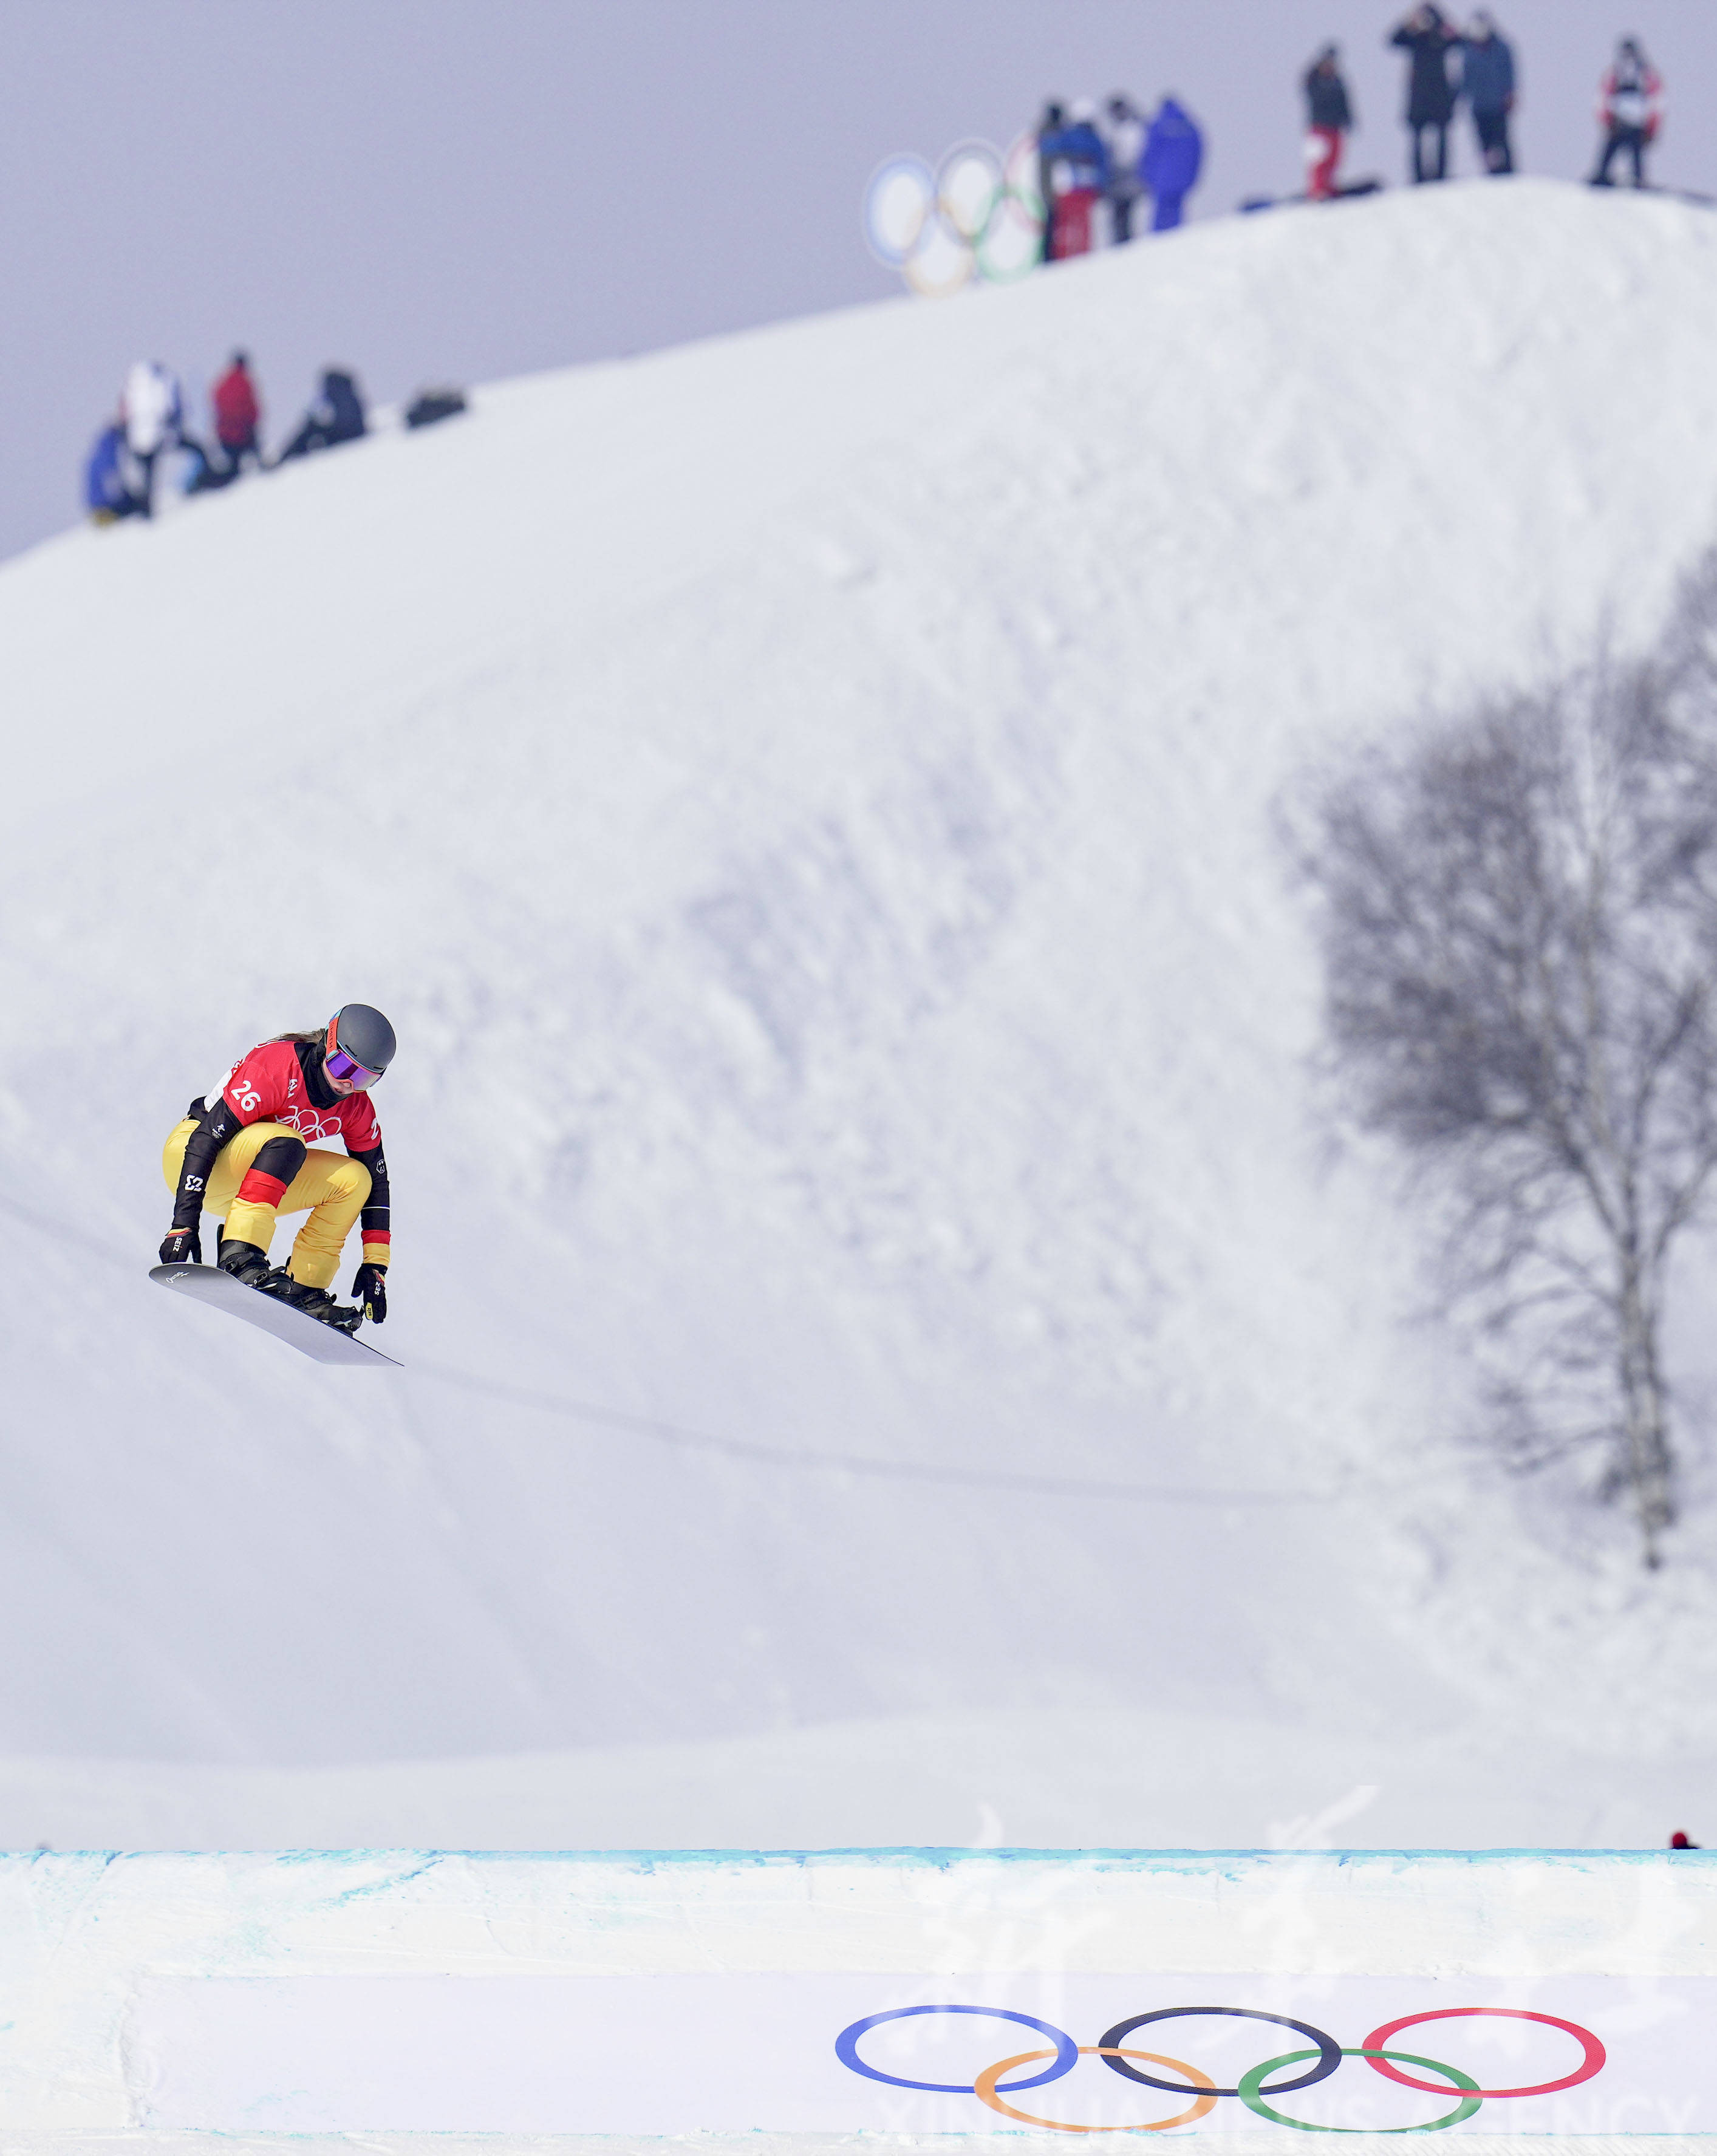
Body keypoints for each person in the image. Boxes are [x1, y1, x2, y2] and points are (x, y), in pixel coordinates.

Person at [158, 1005, 396, 1334]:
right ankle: (239, 1253)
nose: (346, 1085)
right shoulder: (277, 1067)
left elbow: (379, 1182)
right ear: (327, 1044)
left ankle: (304, 1286)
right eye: (343, 1066)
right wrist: (183, 1224)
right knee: (288, 1141)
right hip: (191, 1156)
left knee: (356, 1180)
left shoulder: (357, 1107)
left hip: (251, 1179)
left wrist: (376, 1264)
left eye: (364, 1078)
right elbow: (204, 1140)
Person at [1389, 5, 1459, 183]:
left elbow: (1460, 40)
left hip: (1440, 96)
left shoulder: (1441, 38)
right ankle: (1418, 177)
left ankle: (1441, 175)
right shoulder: (1414, 39)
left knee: (1442, 137)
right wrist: (1410, 22)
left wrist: (1439, 16)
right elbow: (1393, 40)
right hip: (1419, 98)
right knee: (1417, 139)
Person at [1039, 98, 1110, 259]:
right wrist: (1102, 187)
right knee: (1083, 227)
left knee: (1065, 227)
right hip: (1087, 190)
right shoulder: (1096, 141)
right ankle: (1082, 256)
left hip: (1067, 190)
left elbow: (1047, 147)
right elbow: (1103, 166)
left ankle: (1064, 257)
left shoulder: (1066, 136)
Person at [1591, 38, 1662, 188]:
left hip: (1625, 124)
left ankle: (1609, 176)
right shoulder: (1635, 74)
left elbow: (1655, 103)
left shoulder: (1638, 74)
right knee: (1621, 155)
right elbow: (1656, 104)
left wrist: (1606, 121)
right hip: (1626, 124)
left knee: (1627, 155)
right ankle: (1619, 177)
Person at [121, 360, 183, 519]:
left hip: (136, 439)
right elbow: (166, 410)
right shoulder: (157, 386)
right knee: (151, 473)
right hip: (153, 437)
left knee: (141, 473)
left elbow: (125, 414)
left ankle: (144, 505)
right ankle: (148, 507)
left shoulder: (132, 388)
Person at [272, 366, 367, 464]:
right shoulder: (348, 392)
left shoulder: (336, 392)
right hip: (354, 431)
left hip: (348, 435)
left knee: (310, 428)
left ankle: (287, 458)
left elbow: (343, 420)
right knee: (312, 428)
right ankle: (291, 456)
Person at [1460, 12, 1517, 174]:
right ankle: (1491, 173)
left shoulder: (1502, 48)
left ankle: (1509, 173)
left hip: (1498, 105)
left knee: (1501, 143)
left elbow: (1510, 73)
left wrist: (1510, 94)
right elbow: (1466, 78)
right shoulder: (1469, 51)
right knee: (1484, 145)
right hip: (1479, 106)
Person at [1142, 97, 1204, 231]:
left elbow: (1149, 153)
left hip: (1161, 178)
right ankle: (1174, 238)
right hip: (1183, 179)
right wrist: (1192, 177)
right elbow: (1197, 154)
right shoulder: (1190, 127)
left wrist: (1146, 175)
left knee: (1161, 216)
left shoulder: (1158, 126)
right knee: (1177, 213)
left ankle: (1159, 241)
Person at [1303, 44, 1354, 201]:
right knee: (1319, 162)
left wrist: (1348, 118)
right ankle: (1318, 191)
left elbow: (1346, 102)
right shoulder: (1314, 80)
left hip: (1335, 127)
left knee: (1334, 160)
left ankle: (1330, 187)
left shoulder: (1337, 81)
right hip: (1319, 128)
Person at [1103, 94, 1148, 242]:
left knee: (1128, 219)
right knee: (1119, 220)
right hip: (1120, 184)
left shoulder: (1132, 128)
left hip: (1130, 182)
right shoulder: (1119, 129)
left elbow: (1128, 158)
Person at [212, 350, 263, 475]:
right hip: (243, 433)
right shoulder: (245, 382)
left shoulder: (224, 382)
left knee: (232, 465)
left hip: (225, 433)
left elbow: (216, 402)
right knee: (254, 460)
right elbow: (253, 409)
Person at [83, 418, 142, 524]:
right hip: (106, 509)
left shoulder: (97, 454)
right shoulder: (109, 454)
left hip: (96, 507)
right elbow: (111, 482)